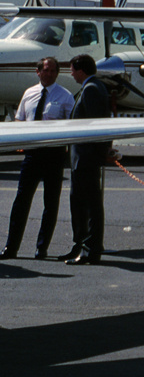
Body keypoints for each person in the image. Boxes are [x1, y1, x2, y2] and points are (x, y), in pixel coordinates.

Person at [0, 57, 75, 260]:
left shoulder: (66, 96)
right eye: (46, 70)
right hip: (32, 155)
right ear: (38, 72)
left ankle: (42, 248)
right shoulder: (29, 93)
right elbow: (20, 119)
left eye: (52, 71)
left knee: (50, 203)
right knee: (21, 201)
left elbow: (72, 126)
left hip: (54, 155)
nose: (49, 74)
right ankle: (11, 247)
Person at [60, 54, 111, 265]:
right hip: (83, 158)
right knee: (84, 205)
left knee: (88, 206)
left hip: (86, 159)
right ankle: (82, 246)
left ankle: (90, 250)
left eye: (72, 69)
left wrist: (99, 153)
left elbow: (95, 128)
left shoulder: (91, 90)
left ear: (80, 70)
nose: (71, 74)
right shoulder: (93, 87)